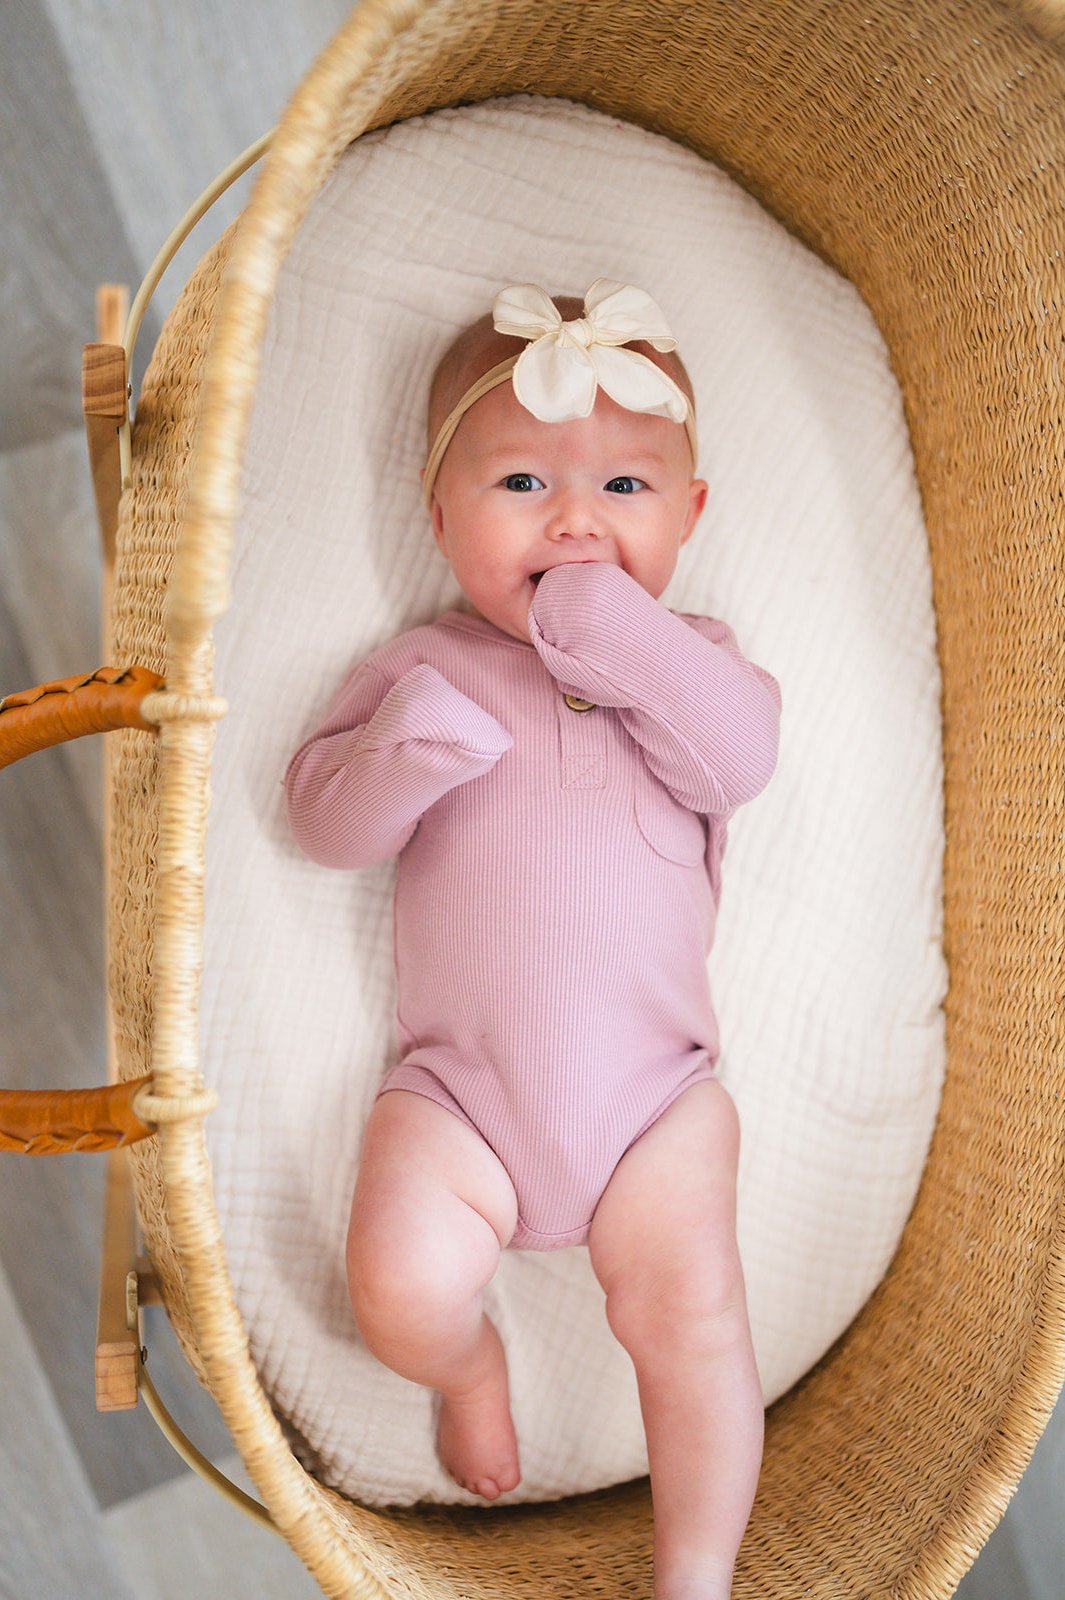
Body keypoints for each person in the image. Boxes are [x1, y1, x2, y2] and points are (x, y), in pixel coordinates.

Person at [284, 279, 781, 1600]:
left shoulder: (696, 663)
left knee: (694, 1319)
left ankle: (694, 1574)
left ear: (691, 517)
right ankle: (468, 1365)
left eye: (625, 489)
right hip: (462, 1102)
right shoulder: (423, 667)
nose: (572, 519)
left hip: (654, 1105)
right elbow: (324, 822)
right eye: (519, 482)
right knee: (397, 1284)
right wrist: (411, 750)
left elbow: (736, 763)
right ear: (438, 513)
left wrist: (628, 635)